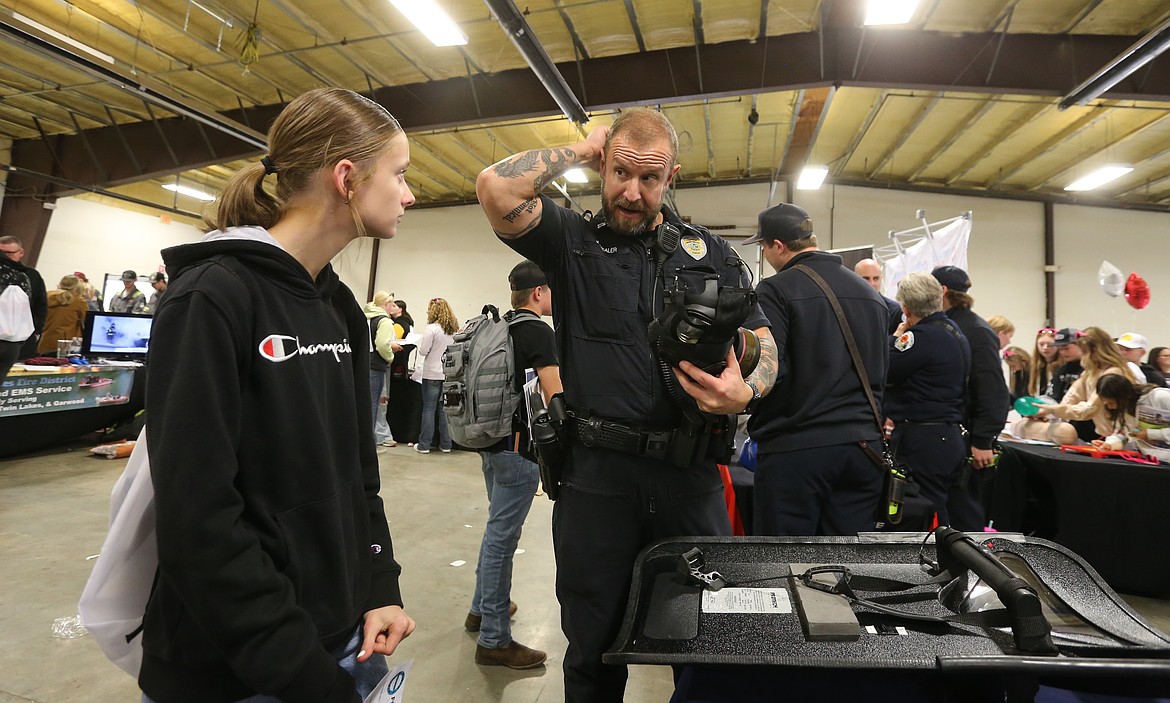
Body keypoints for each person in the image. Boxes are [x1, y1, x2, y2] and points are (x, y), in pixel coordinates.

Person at [475, 107, 776, 703]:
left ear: (672, 178)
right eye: (619, 174)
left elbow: (765, 342)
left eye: (650, 179)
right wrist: (583, 149)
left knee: (707, 639)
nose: (631, 193)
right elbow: (495, 186)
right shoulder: (571, 242)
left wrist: (748, 391)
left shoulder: (712, 255)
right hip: (597, 482)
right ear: (605, 167)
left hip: (689, 478)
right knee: (593, 645)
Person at [140, 87, 416, 703]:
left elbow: (356, 472)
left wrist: (378, 583)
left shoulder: (338, 304)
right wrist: (303, 676)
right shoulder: (212, 297)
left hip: (340, 638)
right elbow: (197, 520)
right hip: (240, 668)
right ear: (347, 178)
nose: (409, 194)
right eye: (398, 175)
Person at [747, 204, 888, 536]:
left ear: (777, 246)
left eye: (764, 246)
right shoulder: (870, 294)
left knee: (784, 564)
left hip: (796, 450)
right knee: (846, 568)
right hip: (864, 449)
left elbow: (770, 371)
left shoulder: (774, 290)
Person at [465, 260, 561, 670]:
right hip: (520, 452)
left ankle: (481, 609)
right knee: (502, 539)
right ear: (538, 292)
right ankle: (493, 639)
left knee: (495, 531)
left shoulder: (501, 326)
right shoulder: (537, 330)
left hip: (492, 444)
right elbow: (555, 395)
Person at [884, 273, 971, 528]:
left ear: (905, 308)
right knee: (941, 506)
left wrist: (894, 338)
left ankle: (934, 561)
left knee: (928, 510)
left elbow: (886, 370)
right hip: (947, 435)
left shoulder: (920, 337)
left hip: (924, 439)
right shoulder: (953, 331)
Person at [931, 266, 1009, 530]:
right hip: (953, 434)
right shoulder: (952, 325)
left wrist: (983, 439)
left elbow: (992, 388)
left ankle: (975, 569)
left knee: (964, 514)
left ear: (941, 290)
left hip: (967, 439)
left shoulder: (975, 330)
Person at [1030, 326, 1142, 442]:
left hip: (1121, 437)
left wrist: (1052, 410)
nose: (1083, 356)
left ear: (1096, 350)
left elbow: (1089, 409)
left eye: (1084, 351)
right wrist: (1048, 412)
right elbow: (1072, 397)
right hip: (1106, 436)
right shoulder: (1090, 372)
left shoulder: (1114, 373)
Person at [1092, 374, 1170, 464]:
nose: (1111, 407)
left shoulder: (1161, 397)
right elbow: (1125, 433)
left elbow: (1145, 433)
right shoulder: (1124, 410)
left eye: (1112, 402)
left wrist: (1151, 434)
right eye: (1106, 403)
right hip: (1149, 459)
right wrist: (1110, 444)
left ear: (1125, 395)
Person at [414, 297, 457, 454]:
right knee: (444, 409)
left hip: (431, 373)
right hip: (447, 374)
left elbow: (423, 351)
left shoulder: (431, 329)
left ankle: (424, 444)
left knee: (428, 409)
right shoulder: (452, 329)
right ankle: (446, 444)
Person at [0, 235, 47, 359]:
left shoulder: (32, 276)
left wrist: (34, 329)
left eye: (9, 253)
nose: (4, 257)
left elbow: (40, 305)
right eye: (1, 253)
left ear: (21, 252)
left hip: (22, 339)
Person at [363, 290, 397, 438]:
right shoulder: (384, 321)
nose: (393, 307)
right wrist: (390, 357)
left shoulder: (367, 317)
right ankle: (369, 441)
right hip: (376, 366)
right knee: (372, 405)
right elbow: (382, 344)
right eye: (392, 304)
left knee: (364, 404)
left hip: (363, 363)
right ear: (386, 304)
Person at [36, 274, 88, 355]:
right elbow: (87, 323)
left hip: (45, 341)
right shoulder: (79, 301)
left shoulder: (47, 296)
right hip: (67, 344)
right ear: (78, 287)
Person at [854, 258, 902, 334]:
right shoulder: (845, 309)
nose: (872, 284)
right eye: (866, 279)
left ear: (881, 279)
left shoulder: (895, 311)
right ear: (854, 279)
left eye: (876, 279)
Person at [1048, 327, 1086, 401]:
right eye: (1059, 349)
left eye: (1066, 348)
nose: (1062, 352)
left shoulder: (1091, 369)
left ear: (1080, 345)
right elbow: (1053, 397)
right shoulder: (1061, 370)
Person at [1027, 327, 1061, 398]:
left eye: (1049, 344)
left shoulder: (1062, 367)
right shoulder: (1036, 366)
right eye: (1041, 344)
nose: (1045, 347)